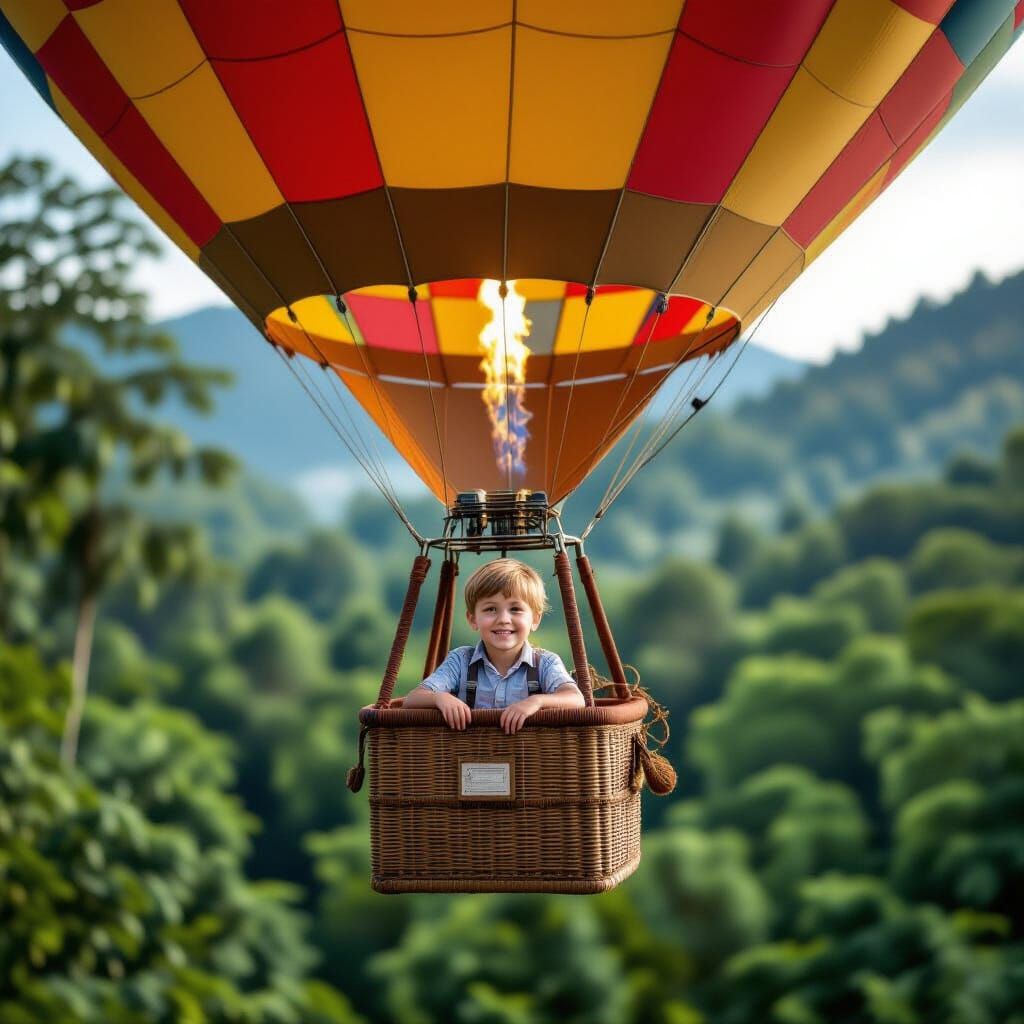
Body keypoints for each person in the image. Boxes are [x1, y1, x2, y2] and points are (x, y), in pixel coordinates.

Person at [403, 558, 585, 734]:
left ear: (535, 620)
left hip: (530, 758)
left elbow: (576, 699)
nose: (504, 620)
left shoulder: (545, 663)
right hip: (471, 757)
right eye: (491, 609)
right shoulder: (460, 661)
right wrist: (440, 698)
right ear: (473, 619)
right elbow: (412, 699)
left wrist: (536, 702)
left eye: (515, 609)